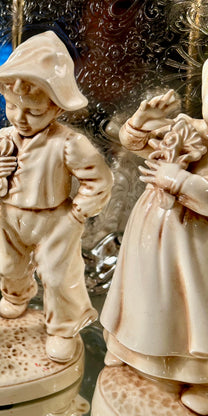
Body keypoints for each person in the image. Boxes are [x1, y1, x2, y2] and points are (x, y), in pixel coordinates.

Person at [0, 31, 113, 363]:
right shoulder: (4, 138)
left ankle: (64, 328)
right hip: (10, 215)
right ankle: (16, 296)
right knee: (9, 264)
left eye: (33, 111)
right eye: (12, 106)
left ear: (56, 107)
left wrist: (78, 212)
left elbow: (98, 178)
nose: (20, 118)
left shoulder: (67, 142)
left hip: (54, 220)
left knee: (59, 275)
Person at [101, 63, 208, 414]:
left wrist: (178, 181)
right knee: (143, 292)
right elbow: (135, 145)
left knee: (187, 310)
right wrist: (140, 122)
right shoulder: (189, 129)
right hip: (151, 231)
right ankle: (130, 350)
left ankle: (195, 376)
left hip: (195, 247)